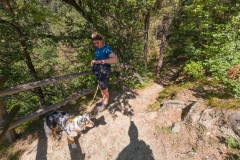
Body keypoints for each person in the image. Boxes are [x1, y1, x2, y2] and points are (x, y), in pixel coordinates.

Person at [90, 32, 118, 112]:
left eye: (97, 42)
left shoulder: (106, 48)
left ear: (101, 40)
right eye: (94, 43)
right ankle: (103, 100)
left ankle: (105, 103)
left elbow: (114, 59)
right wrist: (94, 61)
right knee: (101, 87)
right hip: (99, 71)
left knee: (104, 88)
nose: (96, 44)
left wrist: (102, 61)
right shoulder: (97, 49)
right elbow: (97, 58)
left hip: (105, 71)